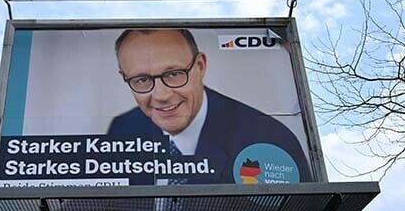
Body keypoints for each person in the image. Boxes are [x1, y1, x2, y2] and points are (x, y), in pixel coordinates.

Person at [107, 28, 312, 184]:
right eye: (141, 79)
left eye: (174, 74)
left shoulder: (270, 138)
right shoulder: (122, 129)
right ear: (124, 77)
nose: (161, 95)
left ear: (200, 66)